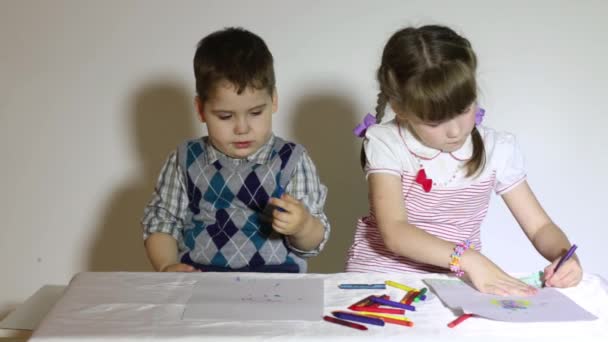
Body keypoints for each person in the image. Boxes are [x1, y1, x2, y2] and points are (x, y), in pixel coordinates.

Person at [345, 25, 582, 295]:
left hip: (456, 281)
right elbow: (395, 231)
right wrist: (467, 259)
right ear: (400, 108)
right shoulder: (386, 142)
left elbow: (540, 226)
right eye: (435, 121)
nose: (455, 131)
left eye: (464, 109)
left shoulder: (497, 149)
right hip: (381, 278)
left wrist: (565, 257)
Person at [141, 27, 330, 273]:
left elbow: (312, 242)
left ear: (273, 100)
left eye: (255, 113)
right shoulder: (185, 159)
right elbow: (162, 222)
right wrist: (167, 265)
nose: (242, 128)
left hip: (276, 282)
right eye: (225, 116)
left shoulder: (292, 161)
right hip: (203, 280)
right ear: (200, 110)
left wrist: (303, 226)